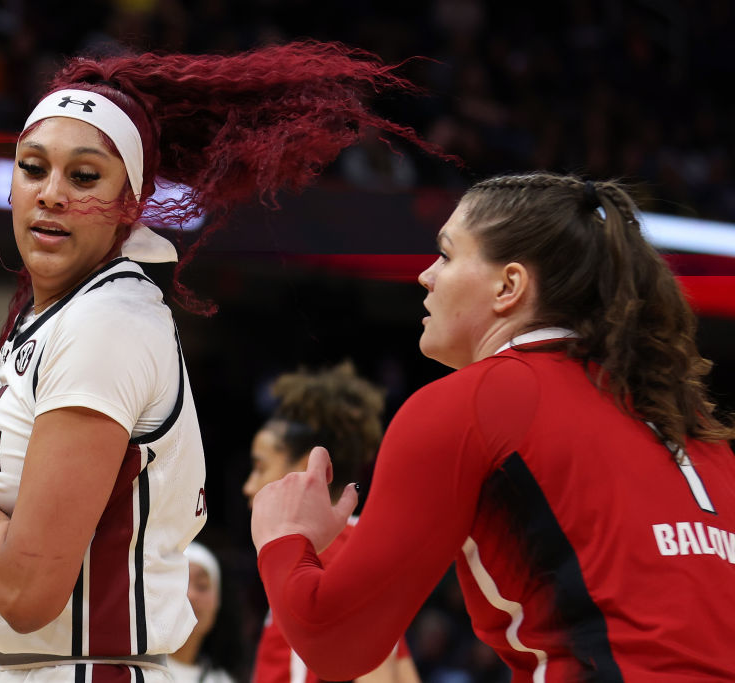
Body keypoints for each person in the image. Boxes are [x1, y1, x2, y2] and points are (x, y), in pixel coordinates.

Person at [0, 40, 442, 682]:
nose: (51, 193)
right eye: (32, 168)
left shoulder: (105, 325)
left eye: (84, 176)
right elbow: (10, 515)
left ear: (128, 203)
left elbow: (29, 593)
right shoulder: (54, 315)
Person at [251, 172, 735, 681]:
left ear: (508, 286)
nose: (425, 276)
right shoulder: (693, 423)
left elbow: (335, 643)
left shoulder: (474, 401)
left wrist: (285, 537)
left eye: (445, 254)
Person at [243, 362, 421, 683]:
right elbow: (402, 669)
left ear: (304, 469)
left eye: (260, 467)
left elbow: (378, 673)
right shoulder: (344, 543)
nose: (249, 485)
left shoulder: (330, 548)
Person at [166, 541, 236, 683]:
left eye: (202, 586)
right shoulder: (133, 672)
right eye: (181, 583)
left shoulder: (223, 680)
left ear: (217, 603)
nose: (191, 595)